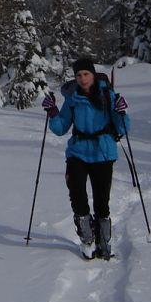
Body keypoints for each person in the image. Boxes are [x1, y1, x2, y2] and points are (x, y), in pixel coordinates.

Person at [42, 56, 129, 260]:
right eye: (79, 75)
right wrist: (53, 112)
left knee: (102, 200)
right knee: (77, 193)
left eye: (86, 74)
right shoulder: (72, 99)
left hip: (103, 152)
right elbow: (60, 128)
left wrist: (122, 112)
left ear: (93, 74)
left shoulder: (107, 95)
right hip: (78, 152)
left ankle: (103, 241)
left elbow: (123, 128)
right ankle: (87, 238)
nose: (82, 78)